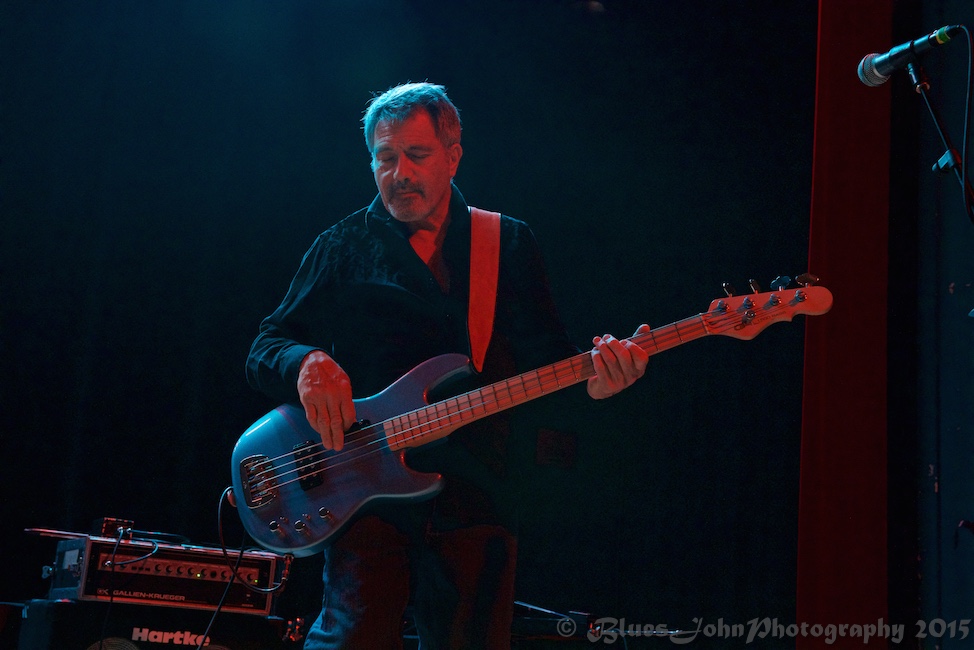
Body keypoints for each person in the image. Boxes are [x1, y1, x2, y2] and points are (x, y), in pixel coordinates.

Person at [246, 82, 649, 650]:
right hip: (365, 492)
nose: (399, 173)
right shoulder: (341, 246)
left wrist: (601, 386)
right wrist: (305, 360)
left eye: (417, 155)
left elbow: (551, 367)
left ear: (454, 155)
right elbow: (267, 343)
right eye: (385, 159)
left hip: (478, 492)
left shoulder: (506, 243)